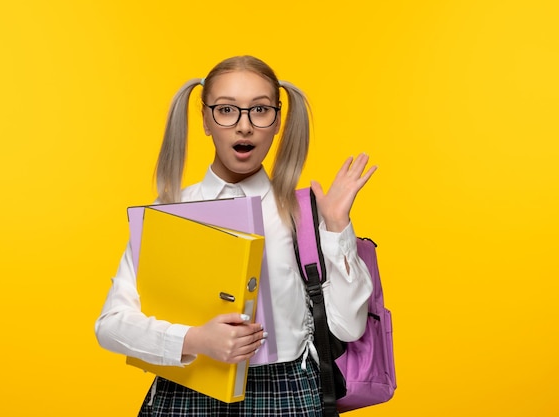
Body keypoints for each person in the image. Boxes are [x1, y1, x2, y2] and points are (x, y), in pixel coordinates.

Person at [95, 55, 377, 416]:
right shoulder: (169, 210)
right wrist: (195, 339)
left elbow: (349, 329)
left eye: (260, 111)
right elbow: (111, 325)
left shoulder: (302, 213)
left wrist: (337, 226)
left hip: (285, 395)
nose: (244, 126)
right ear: (206, 121)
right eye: (226, 110)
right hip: (186, 392)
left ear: (277, 122)